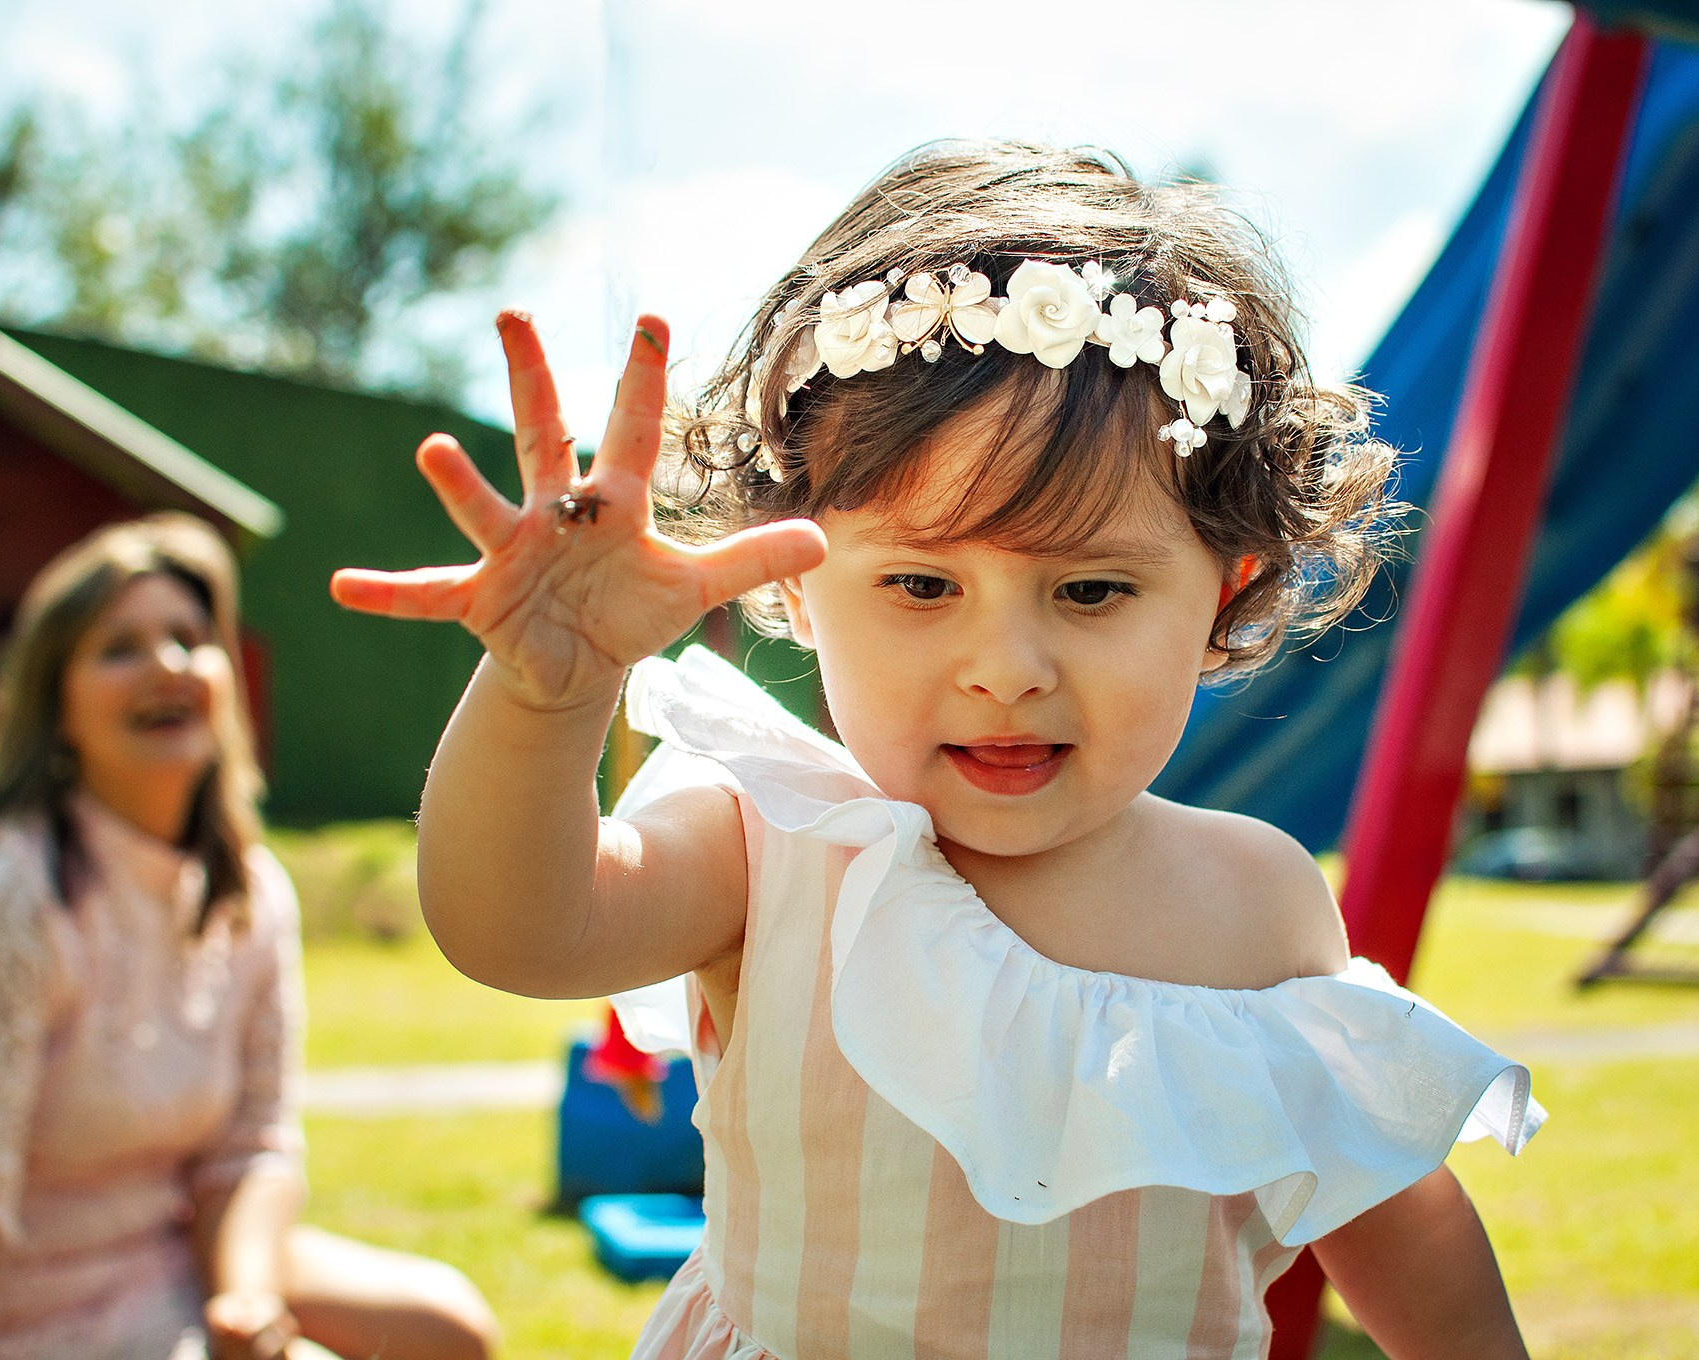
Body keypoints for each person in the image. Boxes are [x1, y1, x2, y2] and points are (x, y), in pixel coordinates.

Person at [334, 141, 1546, 1358]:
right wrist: (550, 695)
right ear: (798, 585)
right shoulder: (769, 839)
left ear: (1223, 598)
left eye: (1088, 592)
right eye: (920, 582)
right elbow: (513, 928)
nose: (1005, 666)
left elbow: (1385, 1203)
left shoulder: (1252, 901)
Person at [0, 515, 499, 1360]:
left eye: (190, 639)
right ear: (56, 708)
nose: (167, 663)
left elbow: (253, 1148)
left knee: (452, 1328)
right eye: (119, 646)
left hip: (167, 1260)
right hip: (6, 1308)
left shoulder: (250, 893)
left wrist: (243, 1297)